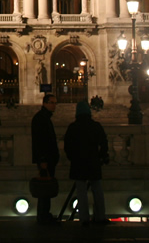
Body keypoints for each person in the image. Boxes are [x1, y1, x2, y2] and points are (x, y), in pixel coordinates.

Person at [64, 101, 109, 225]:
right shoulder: (96, 126)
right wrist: (101, 156)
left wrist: (72, 158)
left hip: (78, 162)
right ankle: (100, 216)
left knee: (81, 192)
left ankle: (84, 218)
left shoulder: (73, 127)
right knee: (97, 190)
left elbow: (67, 146)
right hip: (94, 161)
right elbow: (104, 143)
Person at [31, 94, 59, 225]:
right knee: (44, 189)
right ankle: (43, 217)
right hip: (45, 160)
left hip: (48, 159)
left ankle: (44, 215)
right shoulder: (40, 119)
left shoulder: (44, 118)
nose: (54, 105)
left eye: (55, 103)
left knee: (45, 189)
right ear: (45, 103)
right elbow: (39, 141)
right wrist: (42, 160)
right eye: (52, 103)